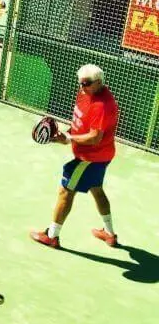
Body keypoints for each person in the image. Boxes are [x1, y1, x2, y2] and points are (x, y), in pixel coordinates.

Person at [31, 64, 120, 249]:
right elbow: (80, 122)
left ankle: (52, 236)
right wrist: (65, 134)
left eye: (86, 83)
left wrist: (69, 139)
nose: (82, 86)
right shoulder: (85, 93)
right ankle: (110, 234)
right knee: (97, 189)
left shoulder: (102, 105)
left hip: (91, 158)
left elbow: (95, 137)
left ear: (98, 82)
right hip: (96, 155)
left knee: (66, 191)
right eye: (80, 82)